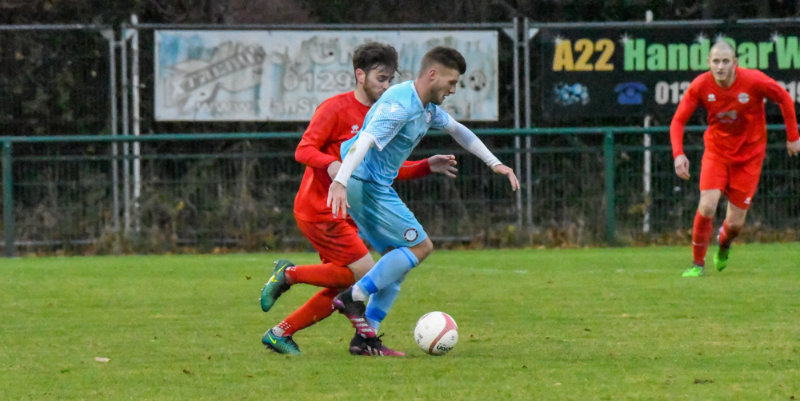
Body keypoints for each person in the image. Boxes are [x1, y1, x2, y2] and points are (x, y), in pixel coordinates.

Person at [259, 42, 458, 356]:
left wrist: (424, 166)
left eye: (390, 79)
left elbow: (383, 171)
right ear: (360, 75)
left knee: (348, 284)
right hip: (320, 207)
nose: (386, 85)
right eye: (380, 78)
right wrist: (332, 164)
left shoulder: (387, 113)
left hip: (350, 211)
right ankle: (290, 276)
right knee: (366, 275)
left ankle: (280, 333)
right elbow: (303, 150)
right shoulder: (335, 108)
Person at [327, 46, 519, 347]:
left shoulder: (425, 108)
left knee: (397, 264)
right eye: (451, 82)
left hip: (366, 184)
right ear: (432, 74)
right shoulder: (400, 105)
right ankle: (354, 296)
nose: (453, 90)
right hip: (365, 183)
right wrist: (340, 181)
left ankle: (365, 338)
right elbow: (364, 140)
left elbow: (458, 130)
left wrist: (494, 163)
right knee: (421, 246)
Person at [670, 40, 800, 277]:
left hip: (749, 157)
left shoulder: (753, 80)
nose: (720, 66)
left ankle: (724, 244)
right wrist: (678, 154)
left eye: (725, 61)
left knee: (735, 224)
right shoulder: (701, 85)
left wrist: (793, 137)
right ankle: (697, 264)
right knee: (707, 205)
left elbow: (783, 97)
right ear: (708, 63)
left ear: (735, 63)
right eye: (716, 61)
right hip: (717, 152)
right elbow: (678, 121)